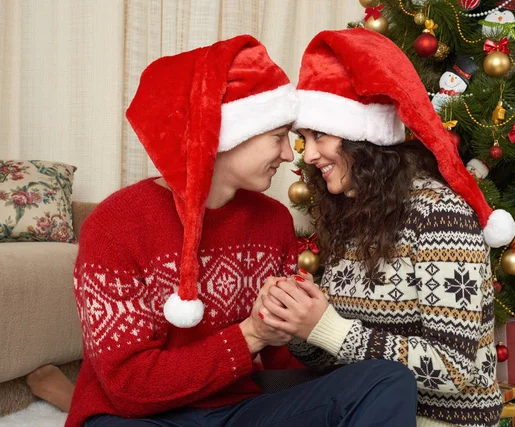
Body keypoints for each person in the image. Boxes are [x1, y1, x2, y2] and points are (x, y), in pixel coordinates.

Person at [61, 34, 417, 427]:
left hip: (239, 410)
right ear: (225, 136)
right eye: (278, 137)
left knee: (386, 380)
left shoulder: (273, 220)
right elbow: (127, 385)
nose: (289, 155)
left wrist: (299, 328)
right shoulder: (116, 225)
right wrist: (251, 334)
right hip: (137, 417)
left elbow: (282, 362)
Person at [258, 28, 515, 427]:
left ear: (363, 138)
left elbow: (455, 369)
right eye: (303, 139)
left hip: (436, 420)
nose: (308, 155)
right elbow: (339, 352)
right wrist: (297, 324)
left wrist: (326, 325)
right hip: (361, 407)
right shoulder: (354, 213)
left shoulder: (438, 215)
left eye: (319, 135)